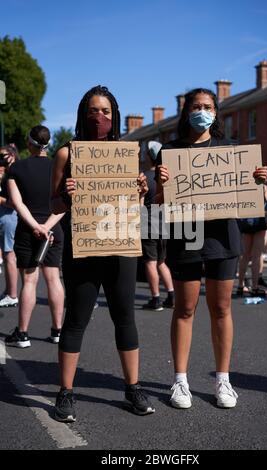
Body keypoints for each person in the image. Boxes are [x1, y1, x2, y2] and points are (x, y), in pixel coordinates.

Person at [155, 88, 267, 409]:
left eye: (207, 106)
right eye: (196, 106)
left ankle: (223, 379)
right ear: (186, 111)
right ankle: (180, 381)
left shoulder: (232, 150)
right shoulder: (170, 151)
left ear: (216, 113)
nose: (201, 111)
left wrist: (258, 178)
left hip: (222, 237)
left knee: (221, 309)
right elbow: (159, 203)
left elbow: (246, 191)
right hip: (187, 235)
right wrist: (161, 185)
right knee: (185, 308)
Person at [51, 85, 155, 422]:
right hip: (83, 248)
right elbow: (53, 204)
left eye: (106, 111)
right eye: (94, 111)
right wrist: (65, 194)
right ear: (83, 114)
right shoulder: (67, 153)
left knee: (125, 315)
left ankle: (133, 387)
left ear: (116, 116)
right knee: (77, 318)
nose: (100, 117)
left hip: (121, 247)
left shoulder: (125, 153)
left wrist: (142, 190)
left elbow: (135, 207)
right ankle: (65, 393)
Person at [5, 125, 65, 348]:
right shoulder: (58, 168)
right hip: (53, 230)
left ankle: (23, 334)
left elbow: (17, 203)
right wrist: (47, 226)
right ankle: (58, 331)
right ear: (47, 144)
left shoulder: (17, 169)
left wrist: (36, 227)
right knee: (54, 278)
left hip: (28, 231)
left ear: (29, 143)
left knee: (29, 281)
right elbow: (64, 204)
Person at [141, 141, 174, 311]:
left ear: (149, 157)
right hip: (164, 224)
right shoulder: (166, 179)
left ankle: (155, 299)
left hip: (148, 224)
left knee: (150, 262)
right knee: (161, 262)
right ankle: (171, 294)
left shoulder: (144, 177)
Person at [238, 184, 267, 296]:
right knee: (257, 255)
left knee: (245, 255)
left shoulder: (244, 185)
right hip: (260, 220)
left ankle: (241, 286)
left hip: (246, 219)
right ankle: (255, 287)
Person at [0, 145, 19, 307]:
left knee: (9, 254)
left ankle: (12, 294)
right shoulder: (9, 173)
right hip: (7, 217)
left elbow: (14, 203)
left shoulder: (14, 173)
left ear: (12, 155)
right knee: (7, 256)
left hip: (9, 217)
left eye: (3, 156)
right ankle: (9, 291)